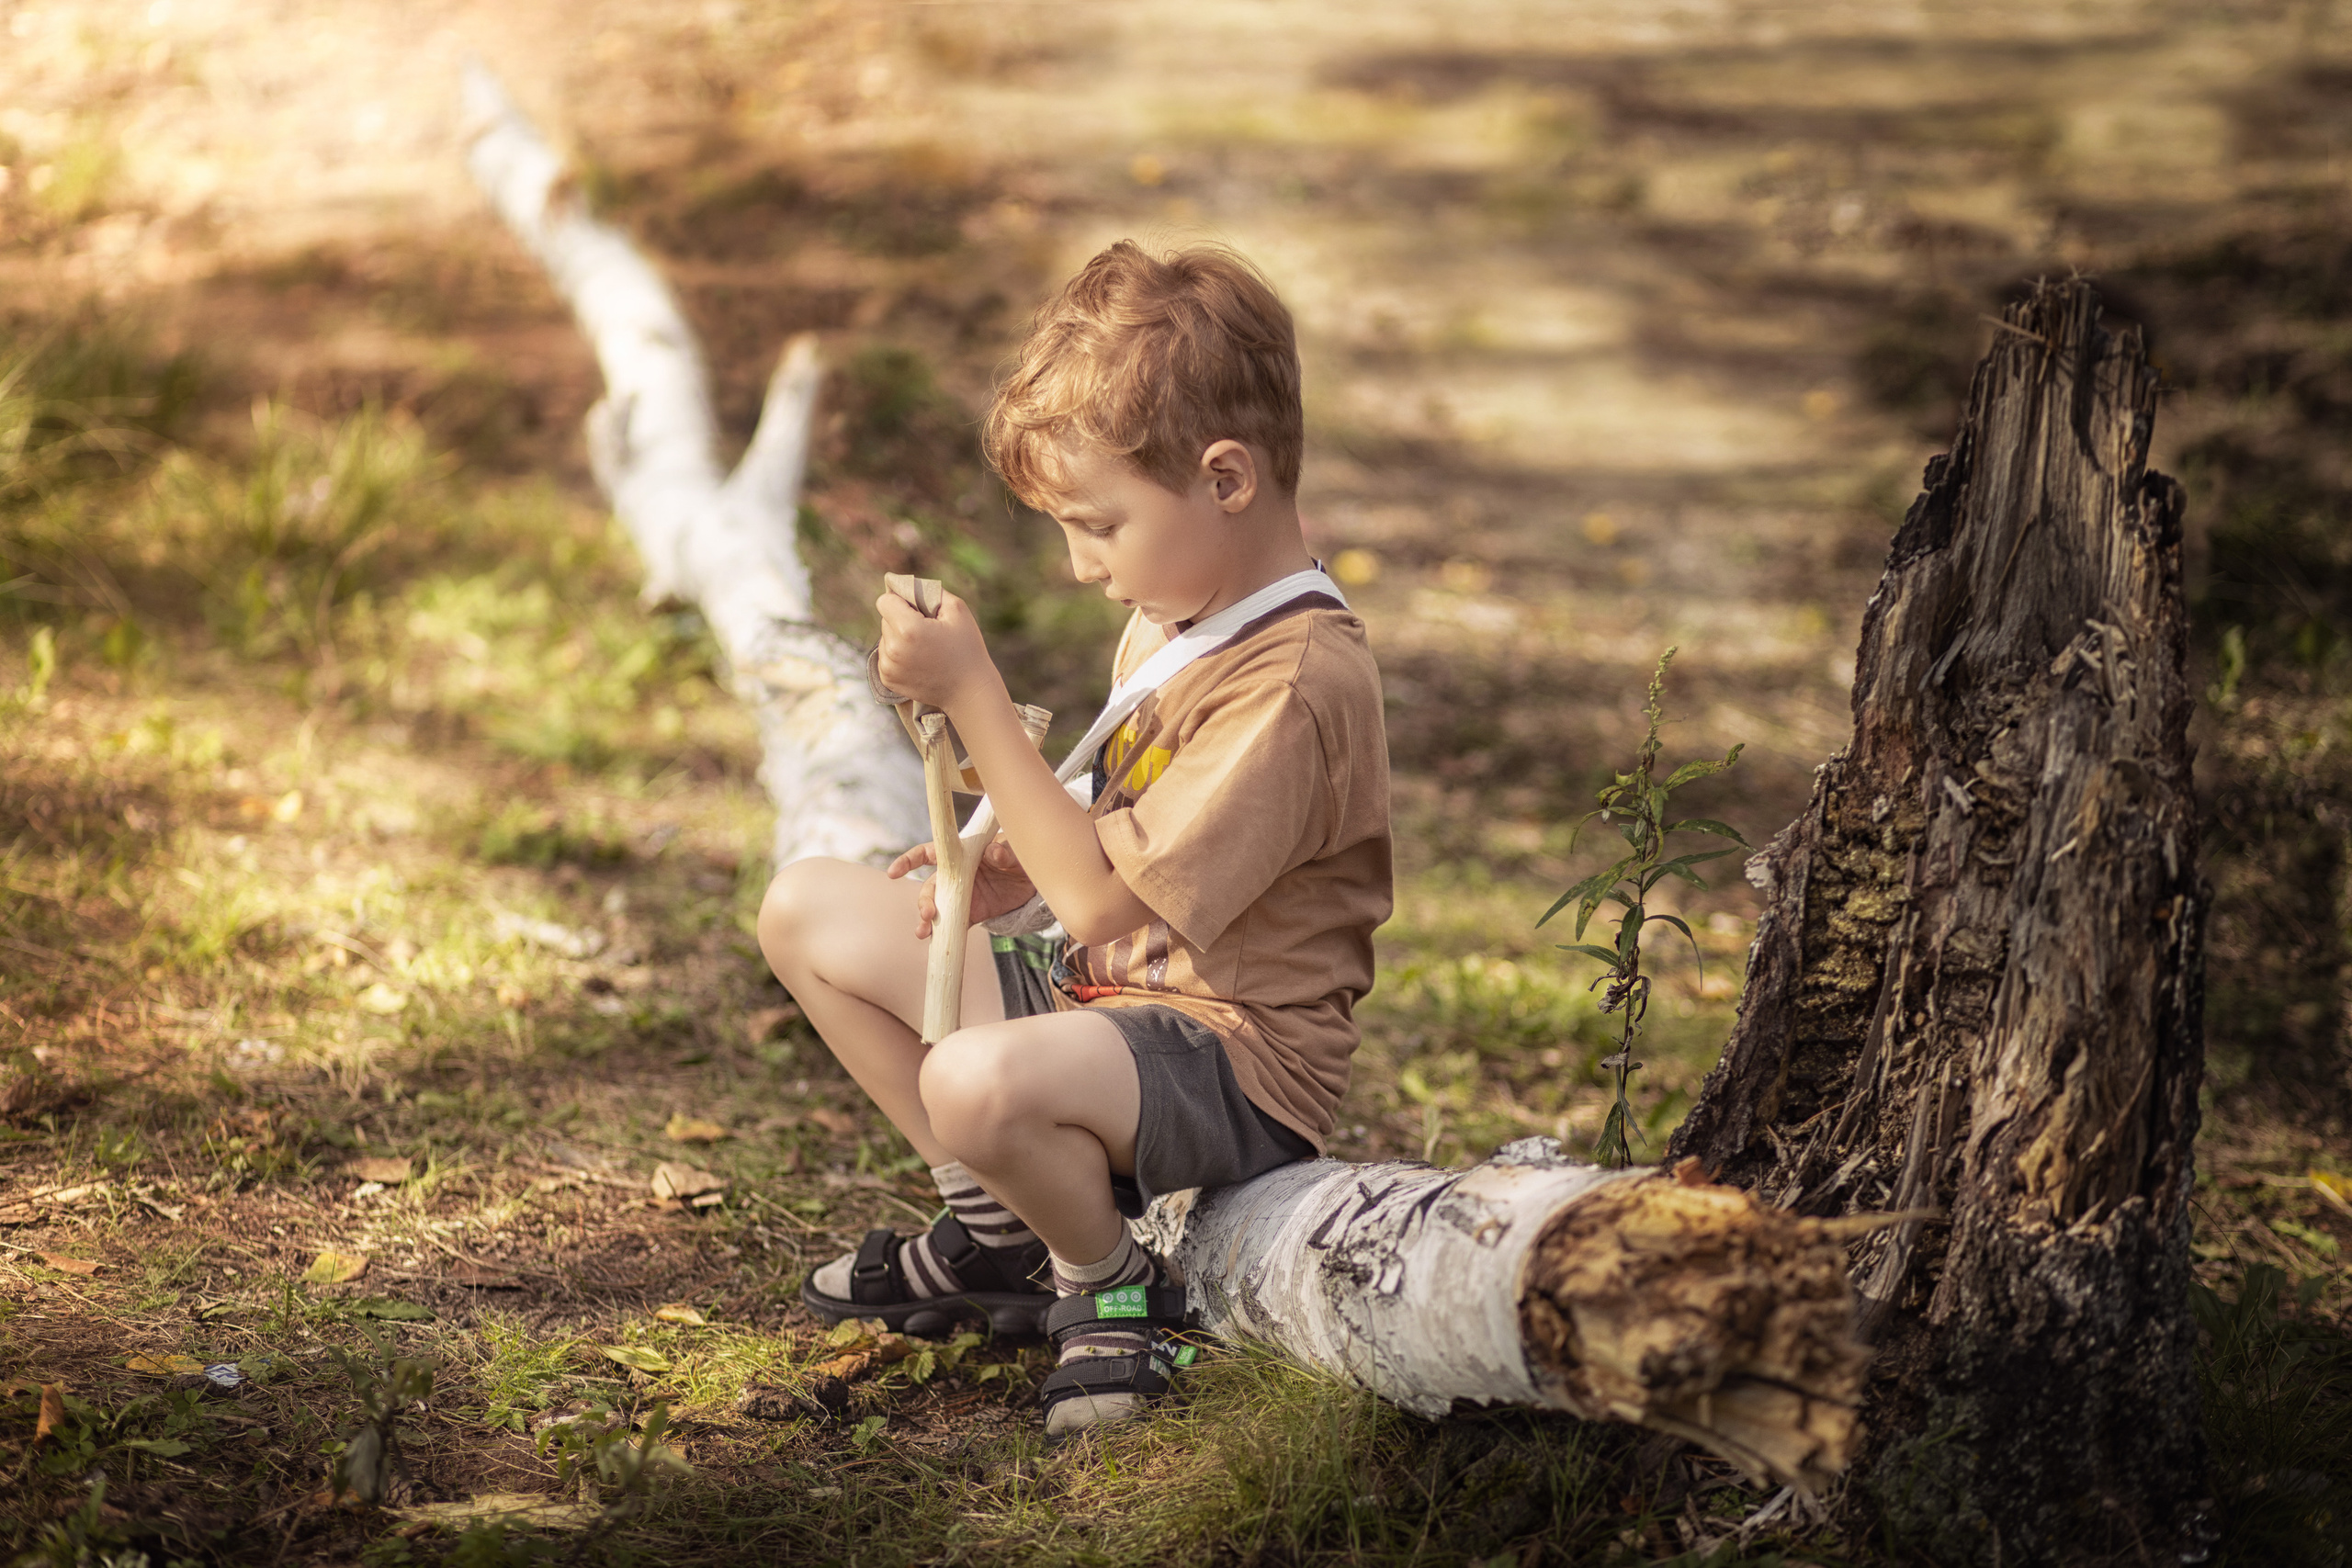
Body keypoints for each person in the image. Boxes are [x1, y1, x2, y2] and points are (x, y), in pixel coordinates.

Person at [757, 239, 1391, 1439]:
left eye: (1098, 525)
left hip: (1232, 1056)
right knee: (809, 909)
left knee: (972, 1078)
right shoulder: (1179, 610)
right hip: (1109, 1007)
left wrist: (977, 698)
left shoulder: (1295, 681)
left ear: (1227, 479)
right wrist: (1009, 863)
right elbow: (1121, 843)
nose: (1081, 565)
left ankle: (1112, 1282)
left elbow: (1104, 907)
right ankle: (1005, 1231)